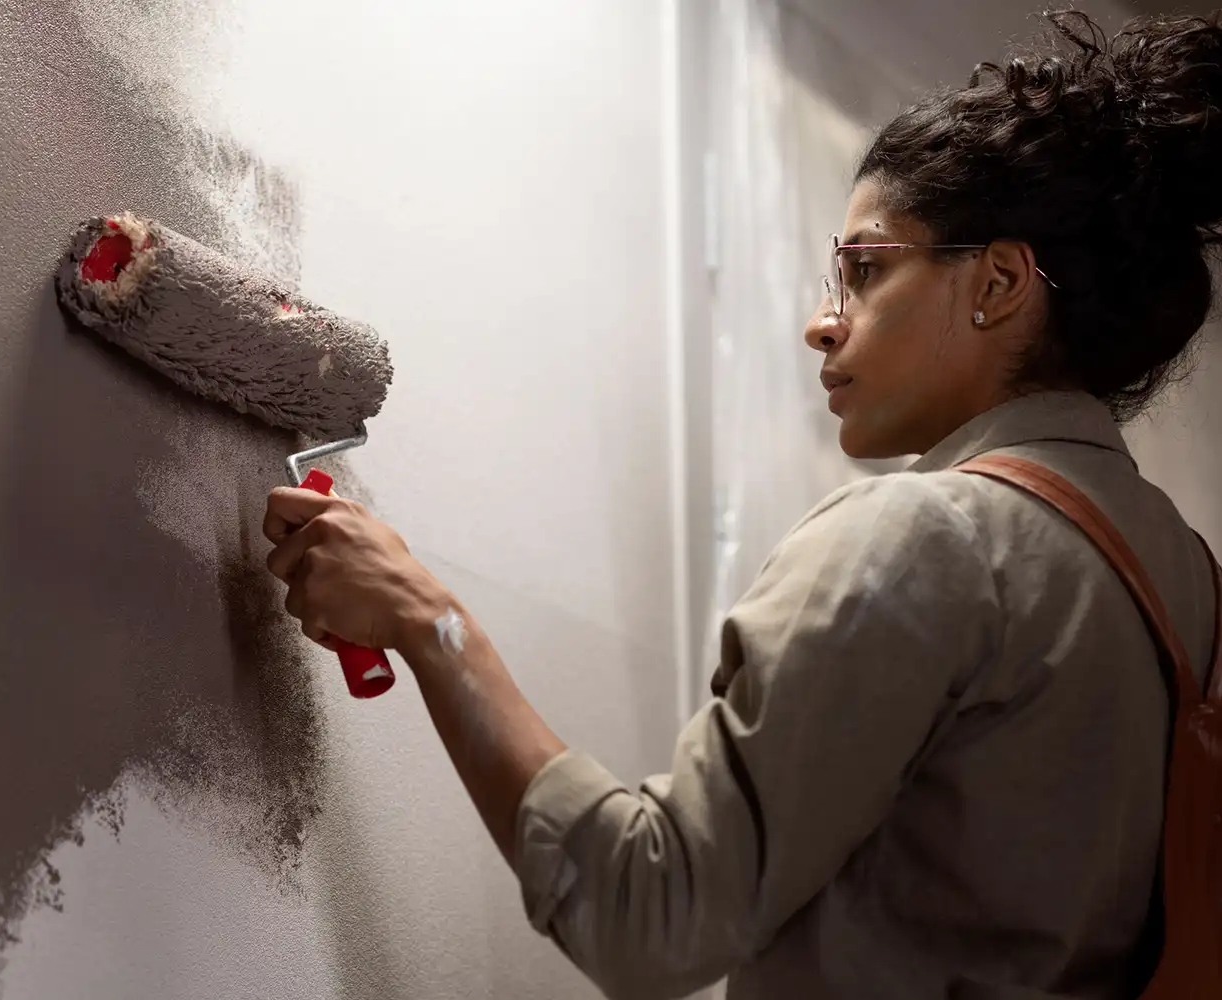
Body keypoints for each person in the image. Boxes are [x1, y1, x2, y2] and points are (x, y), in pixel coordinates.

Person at [262, 11, 1222, 999]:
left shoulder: (926, 538)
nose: (821, 321)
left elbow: (651, 912)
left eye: (864, 269)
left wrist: (428, 620)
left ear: (1001, 283)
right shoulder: (1188, 588)